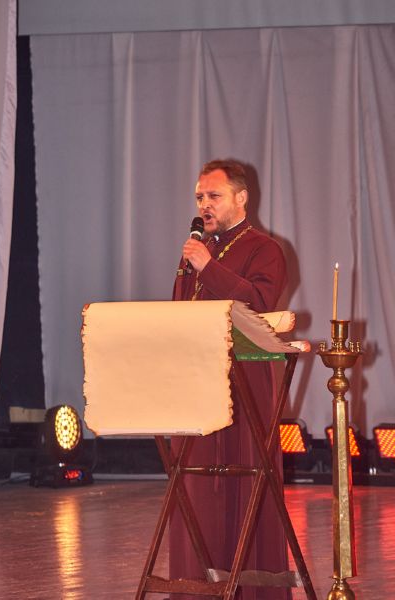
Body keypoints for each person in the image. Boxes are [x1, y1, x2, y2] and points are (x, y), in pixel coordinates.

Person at [170, 159, 291, 600]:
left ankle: (252, 590)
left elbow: (258, 303)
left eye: (214, 196)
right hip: (197, 382)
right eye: (199, 197)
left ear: (241, 198)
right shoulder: (194, 251)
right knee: (196, 488)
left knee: (247, 484)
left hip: (245, 383)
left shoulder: (265, 249)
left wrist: (207, 267)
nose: (204, 204)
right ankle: (198, 588)